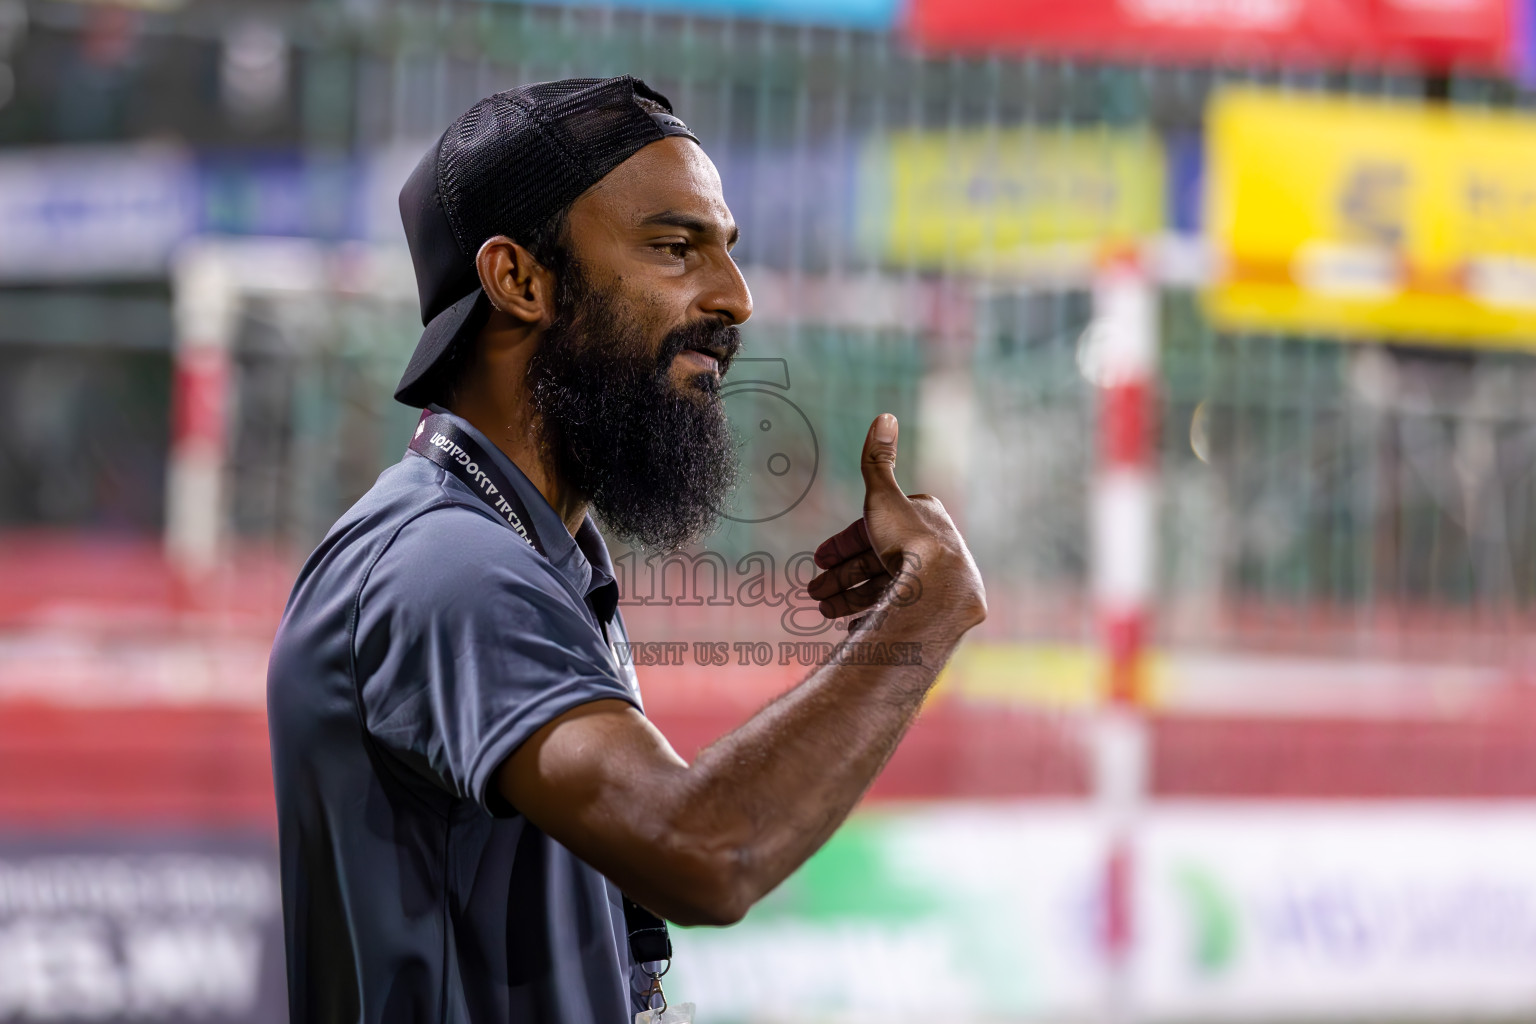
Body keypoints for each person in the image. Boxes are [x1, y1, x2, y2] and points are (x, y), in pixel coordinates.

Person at [266, 75, 986, 1024]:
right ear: (519, 279)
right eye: (675, 248)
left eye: (727, 251)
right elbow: (704, 851)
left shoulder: (537, 547)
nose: (736, 298)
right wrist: (924, 612)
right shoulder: (444, 565)